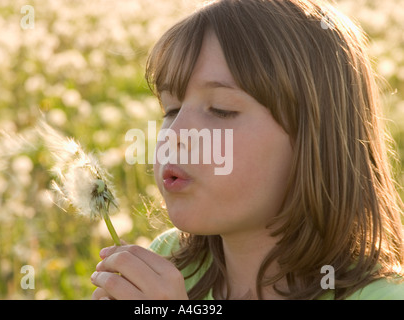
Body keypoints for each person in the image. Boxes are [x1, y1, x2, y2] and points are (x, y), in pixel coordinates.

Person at [90, 0, 404, 299]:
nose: (176, 133)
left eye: (220, 109)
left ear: (316, 139)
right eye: (171, 109)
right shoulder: (168, 263)